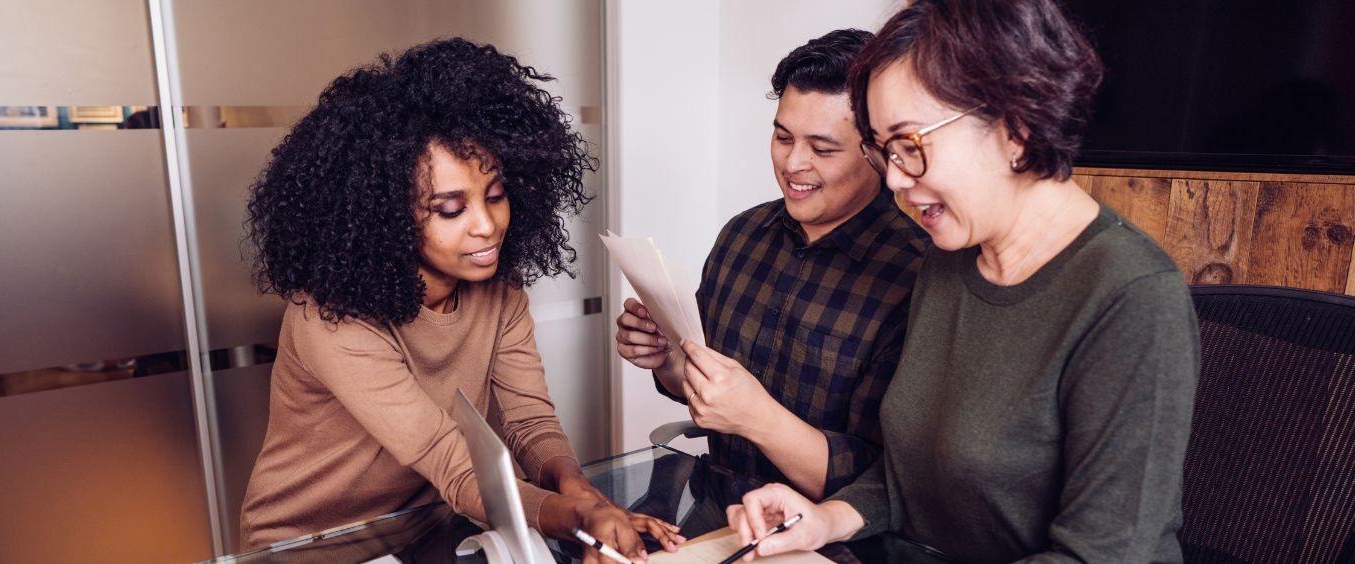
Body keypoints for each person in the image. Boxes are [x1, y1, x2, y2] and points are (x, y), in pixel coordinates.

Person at [724, 1, 1200, 562]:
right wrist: (826, 519)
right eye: (884, 150)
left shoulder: (1131, 297)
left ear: (1017, 127)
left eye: (911, 146)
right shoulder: (950, 261)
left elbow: (1105, 555)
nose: (896, 180)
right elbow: (912, 482)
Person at [239, 38, 681, 560]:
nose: (487, 225)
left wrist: (584, 495)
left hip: (428, 530)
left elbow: (528, 422)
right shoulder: (332, 318)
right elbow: (449, 460)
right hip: (310, 545)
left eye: (495, 195)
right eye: (451, 209)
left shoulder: (499, 290)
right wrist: (581, 519)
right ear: (386, 216)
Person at [616, 28, 929, 503]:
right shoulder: (743, 236)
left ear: (879, 152)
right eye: (783, 137)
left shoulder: (915, 277)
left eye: (822, 149)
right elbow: (697, 388)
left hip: (833, 539)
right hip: (717, 506)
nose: (793, 163)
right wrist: (667, 360)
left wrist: (758, 418)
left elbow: (887, 482)